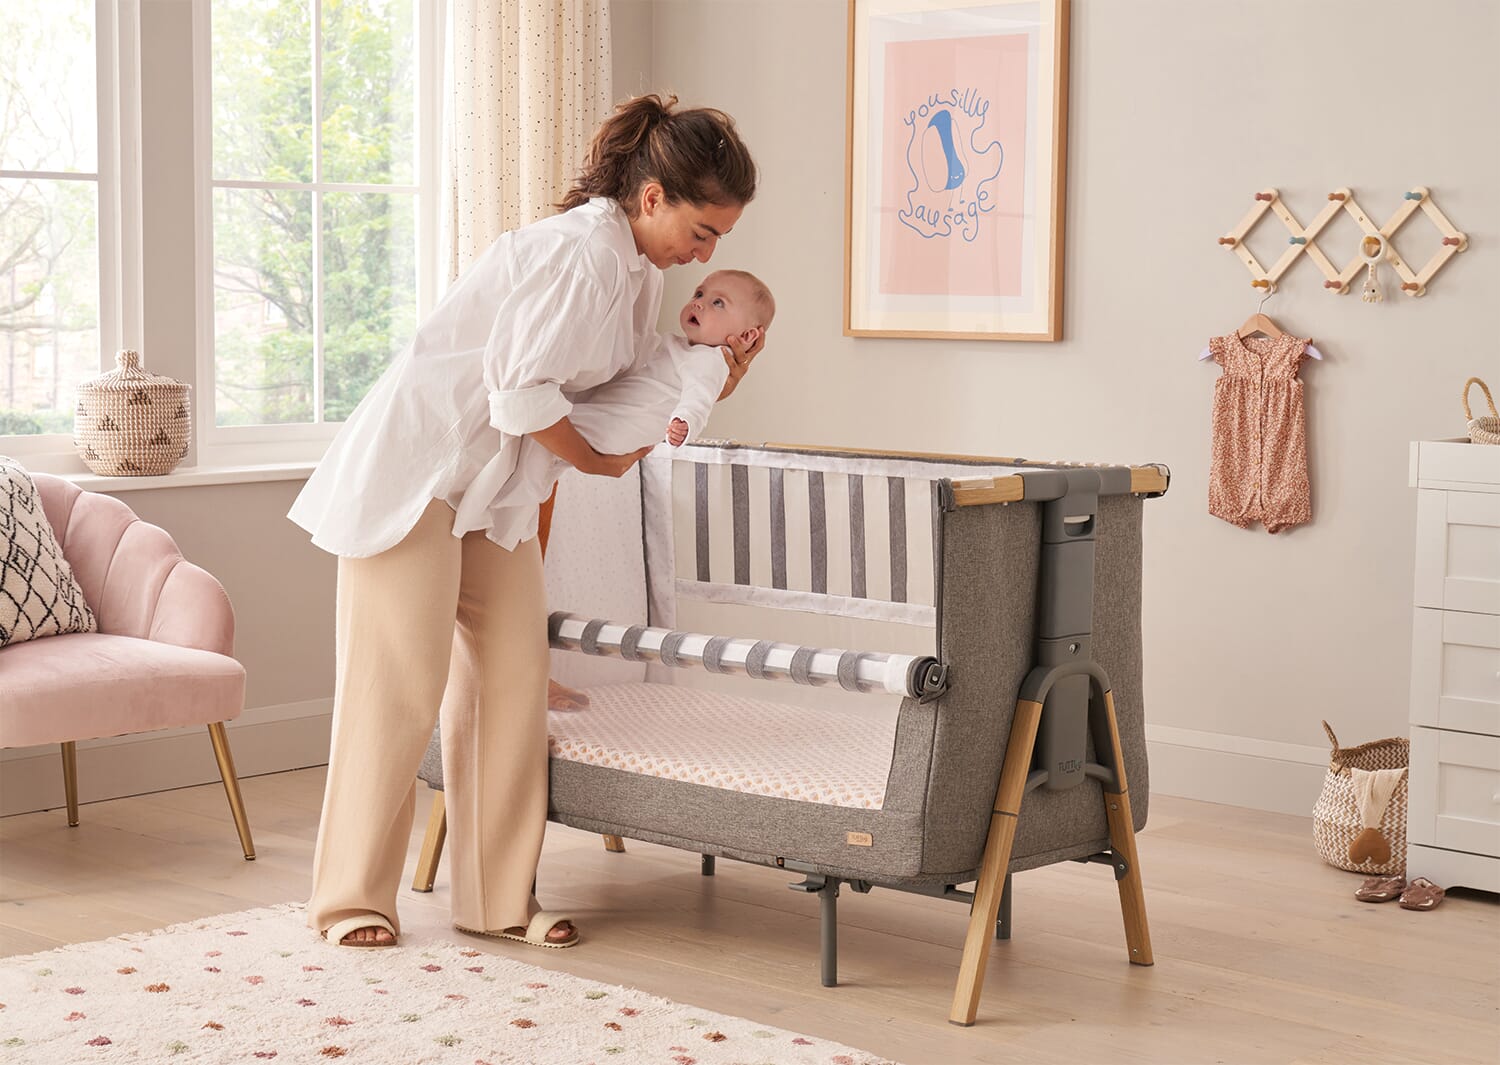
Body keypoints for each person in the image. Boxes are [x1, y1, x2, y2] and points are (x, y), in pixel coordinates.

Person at [287, 93, 763, 949]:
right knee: (399, 685)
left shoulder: (637, 274)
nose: (707, 253)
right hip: (422, 473)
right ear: (652, 197)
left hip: (490, 491)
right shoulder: (582, 255)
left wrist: (709, 375)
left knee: (512, 682)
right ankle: (350, 897)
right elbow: (521, 394)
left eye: (718, 240)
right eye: (703, 230)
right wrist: (593, 463)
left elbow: (610, 394)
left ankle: (496, 898)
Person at [493, 269, 775, 533]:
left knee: (544, 433)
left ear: (748, 336)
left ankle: (506, 504)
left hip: (622, 428)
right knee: (547, 452)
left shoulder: (710, 361)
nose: (699, 303)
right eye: (699, 294)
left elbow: (699, 399)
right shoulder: (676, 345)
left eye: (718, 303)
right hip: (614, 418)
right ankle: (514, 506)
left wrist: (685, 422)